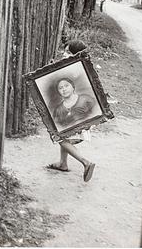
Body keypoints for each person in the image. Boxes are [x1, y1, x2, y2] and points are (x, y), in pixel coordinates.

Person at [47, 40, 95, 182]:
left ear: (76, 54)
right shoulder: (80, 67)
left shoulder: (74, 69)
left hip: (74, 114)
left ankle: (85, 162)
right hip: (75, 112)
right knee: (64, 136)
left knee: (59, 136)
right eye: (64, 50)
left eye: (68, 52)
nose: (64, 54)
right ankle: (63, 163)